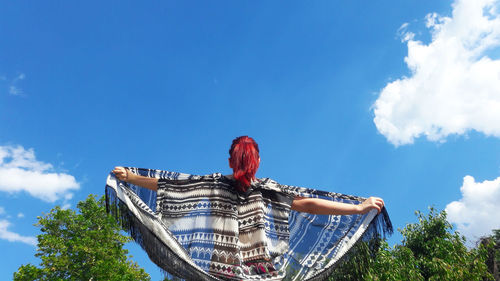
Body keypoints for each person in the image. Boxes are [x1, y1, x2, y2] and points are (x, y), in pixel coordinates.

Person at [107, 136, 391, 281]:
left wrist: (132, 178)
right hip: (263, 273)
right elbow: (309, 203)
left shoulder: (216, 184)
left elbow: (169, 185)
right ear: (256, 162)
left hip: (222, 272)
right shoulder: (266, 189)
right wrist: (357, 208)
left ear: (231, 160)